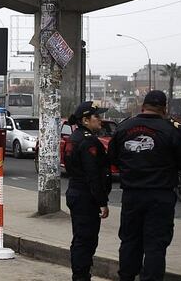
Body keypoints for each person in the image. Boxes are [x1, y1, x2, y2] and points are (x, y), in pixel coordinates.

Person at [107, 90, 181, 281]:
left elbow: (112, 158)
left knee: (130, 241)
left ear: (143, 106)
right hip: (160, 196)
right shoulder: (172, 130)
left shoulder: (124, 128)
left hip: (132, 195)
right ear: (164, 109)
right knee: (155, 245)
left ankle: (126, 277)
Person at [64, 101, 112, 281]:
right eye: (97, 116)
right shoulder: (87, 141)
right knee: (85, 241)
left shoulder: (74, 138)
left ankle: (81, 274)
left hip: (76, 192)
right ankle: (81, 276)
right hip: (86, 196)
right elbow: (93, 174)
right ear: (85, 120)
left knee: (81, 239)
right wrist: (102, 202)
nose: (101, 119)